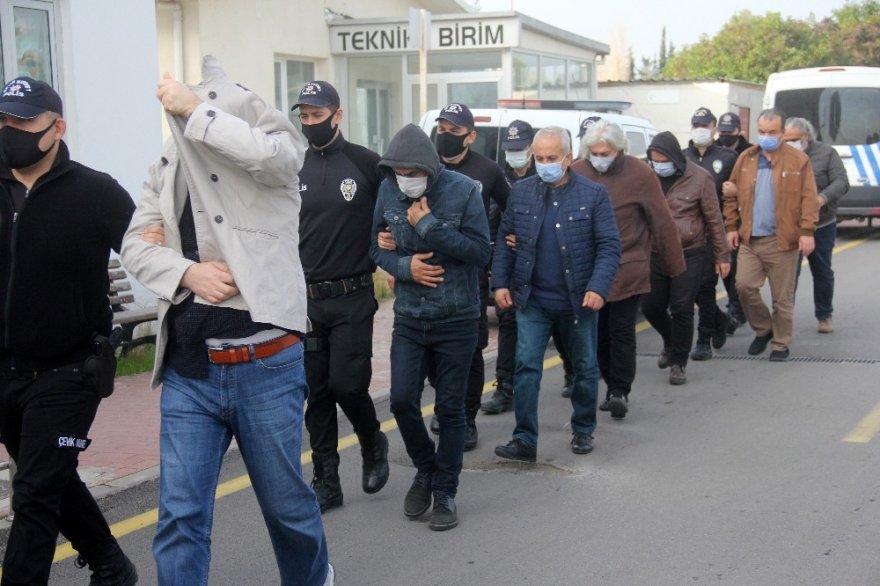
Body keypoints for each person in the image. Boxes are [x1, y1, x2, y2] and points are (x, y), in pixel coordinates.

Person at [120, 57, 332, 585]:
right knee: (180, 517)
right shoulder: (167, 168)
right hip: (189, 372)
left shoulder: (267, 167)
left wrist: (199, 111)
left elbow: (279, 157)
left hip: (266, 364)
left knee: (287, 511)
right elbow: (135, 246)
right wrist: (187, 271)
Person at [0, 77, 139, 586]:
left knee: (33, 492)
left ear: (56, 128)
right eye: (3, 120)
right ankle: (109, 562)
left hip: (69, 371)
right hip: (5, 371)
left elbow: (151, 256)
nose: (9, 130)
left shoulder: (95, 192)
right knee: (50, 478)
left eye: (22, 121)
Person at [369, 123, 490, 531]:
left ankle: (445, 492)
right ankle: (427, 468)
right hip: (410, 317)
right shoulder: (388, 190)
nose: (406, 180)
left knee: (450, 408)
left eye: (412, 172)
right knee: (402, 400)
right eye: (399, 172)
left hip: (457, 317)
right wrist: (405, 266)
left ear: (429, 169)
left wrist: (429, 227)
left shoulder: (464, 190)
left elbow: (480, 252)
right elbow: (374, 246)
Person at [492, 126, 620, 461]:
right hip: (532, 299)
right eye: (539, 157)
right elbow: (505, 241)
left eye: (552, 158)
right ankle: (524, 439)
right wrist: (500, 283)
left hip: (578, 299)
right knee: (526, 366)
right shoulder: (521, 193)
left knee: (584, 367)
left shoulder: (593, 195)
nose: (545, 163)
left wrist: (598, 287)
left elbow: (609, 247)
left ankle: (582, 428)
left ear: (568, 158)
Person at [293, 80, 389, 513]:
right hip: (308, 301)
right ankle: (326, 479)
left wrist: (393, 244)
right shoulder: (292, 165)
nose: (310, 123)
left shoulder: (367, 163)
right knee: (317, 393)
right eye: (304, 116)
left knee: (348, 386)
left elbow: (392, 215)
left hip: (353, 295)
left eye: (317, 115)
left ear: (338, 115)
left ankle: (372, 440)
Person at [571, 120, 685, 416]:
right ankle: (610, 384)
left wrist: (675, 270)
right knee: (599, 334)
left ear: (619, 149)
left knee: (621, 330)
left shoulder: (640, 174)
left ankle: (619, 390)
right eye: (595, 152)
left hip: (628, 266)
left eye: (606, 152)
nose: (600, 157)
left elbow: (661, 221)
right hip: (589, 269)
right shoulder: (577, 171)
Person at [427, 102, 509, 449]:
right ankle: (446, 405)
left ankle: (466, 415)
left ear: (470, 136)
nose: (445, 137)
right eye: (441, 130)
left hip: (471, 274)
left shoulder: (487, 171)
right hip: (428, 271)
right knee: (432, 349)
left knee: (471, 350)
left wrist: (507, 239)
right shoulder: (424, 166)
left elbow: (513, 208)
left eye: (453, 131)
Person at [722, 108, 819, 362]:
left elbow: (809, 198)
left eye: (772, 132)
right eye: (762, 132)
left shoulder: (798, 161)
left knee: (782, 298)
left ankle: (780, 343)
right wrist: (731, 227)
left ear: (782, 132)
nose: (766, 136)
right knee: (743, 287)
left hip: (782, 241)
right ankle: (764, 329)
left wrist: (807, 231)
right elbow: (730, 195)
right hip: (750, 239)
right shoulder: (746, 158)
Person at [642, 132, 730, 385]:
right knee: (651, 306)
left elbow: (714, 219)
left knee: (682, 307)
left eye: (662, 160)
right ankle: (670, 341)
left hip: (690, 251)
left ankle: (678, 362)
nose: (659, 165)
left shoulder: (700, 178)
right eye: (654, 160)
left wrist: (722, 255)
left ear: (674, 157)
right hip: (655, 251)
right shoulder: (648, 178)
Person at [482, 119, 535, 415]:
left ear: (531, 147)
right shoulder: (498, 179)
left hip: (544, 267)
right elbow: (491, 225)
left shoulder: (546, 175)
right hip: (509, 265)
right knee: (509, 324)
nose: (515, 154)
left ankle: (572, 373)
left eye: (520, 149)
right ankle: (505, 388)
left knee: (559, 327)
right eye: (510, 149)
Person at [683, 107, 739, 361]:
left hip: (712, 230)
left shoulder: (728, 157)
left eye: (705, 125)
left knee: (706, 286)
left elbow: (737, 193)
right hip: (686, 231)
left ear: (714, 127)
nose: (700, 129)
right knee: (690, 288)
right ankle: (721, 319)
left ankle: (703, 338)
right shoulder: (682, 157)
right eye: (696, 124)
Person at [783, 117, 849, 334]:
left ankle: (824, 315)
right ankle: (784, 317)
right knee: (789, 273)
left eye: (794, 139)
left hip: (822, 225)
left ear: (806, 137)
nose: (790, 143)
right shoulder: (780, 155)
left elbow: (841, 182)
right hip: (791, 225)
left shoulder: (826, 153)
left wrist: (822, 198)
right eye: (787, 139)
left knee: (822, 270)